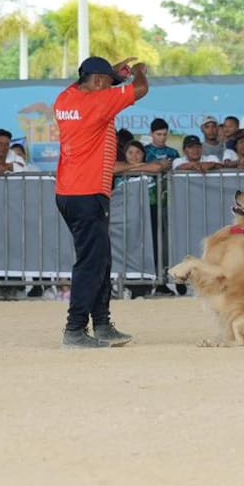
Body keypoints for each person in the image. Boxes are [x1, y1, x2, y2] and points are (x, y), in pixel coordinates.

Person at [53, 55, 149, 349]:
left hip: (69, 192)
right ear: (96, 82)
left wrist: (113, 75)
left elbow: (83, 82)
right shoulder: (98, 103)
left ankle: (103, 323)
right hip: (88, 193)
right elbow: (141, 89)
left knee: (99, 260)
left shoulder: (65, 99)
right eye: (106, 82)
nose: (111, 87)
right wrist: (138, 73)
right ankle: (75, 329)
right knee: (91, 264)